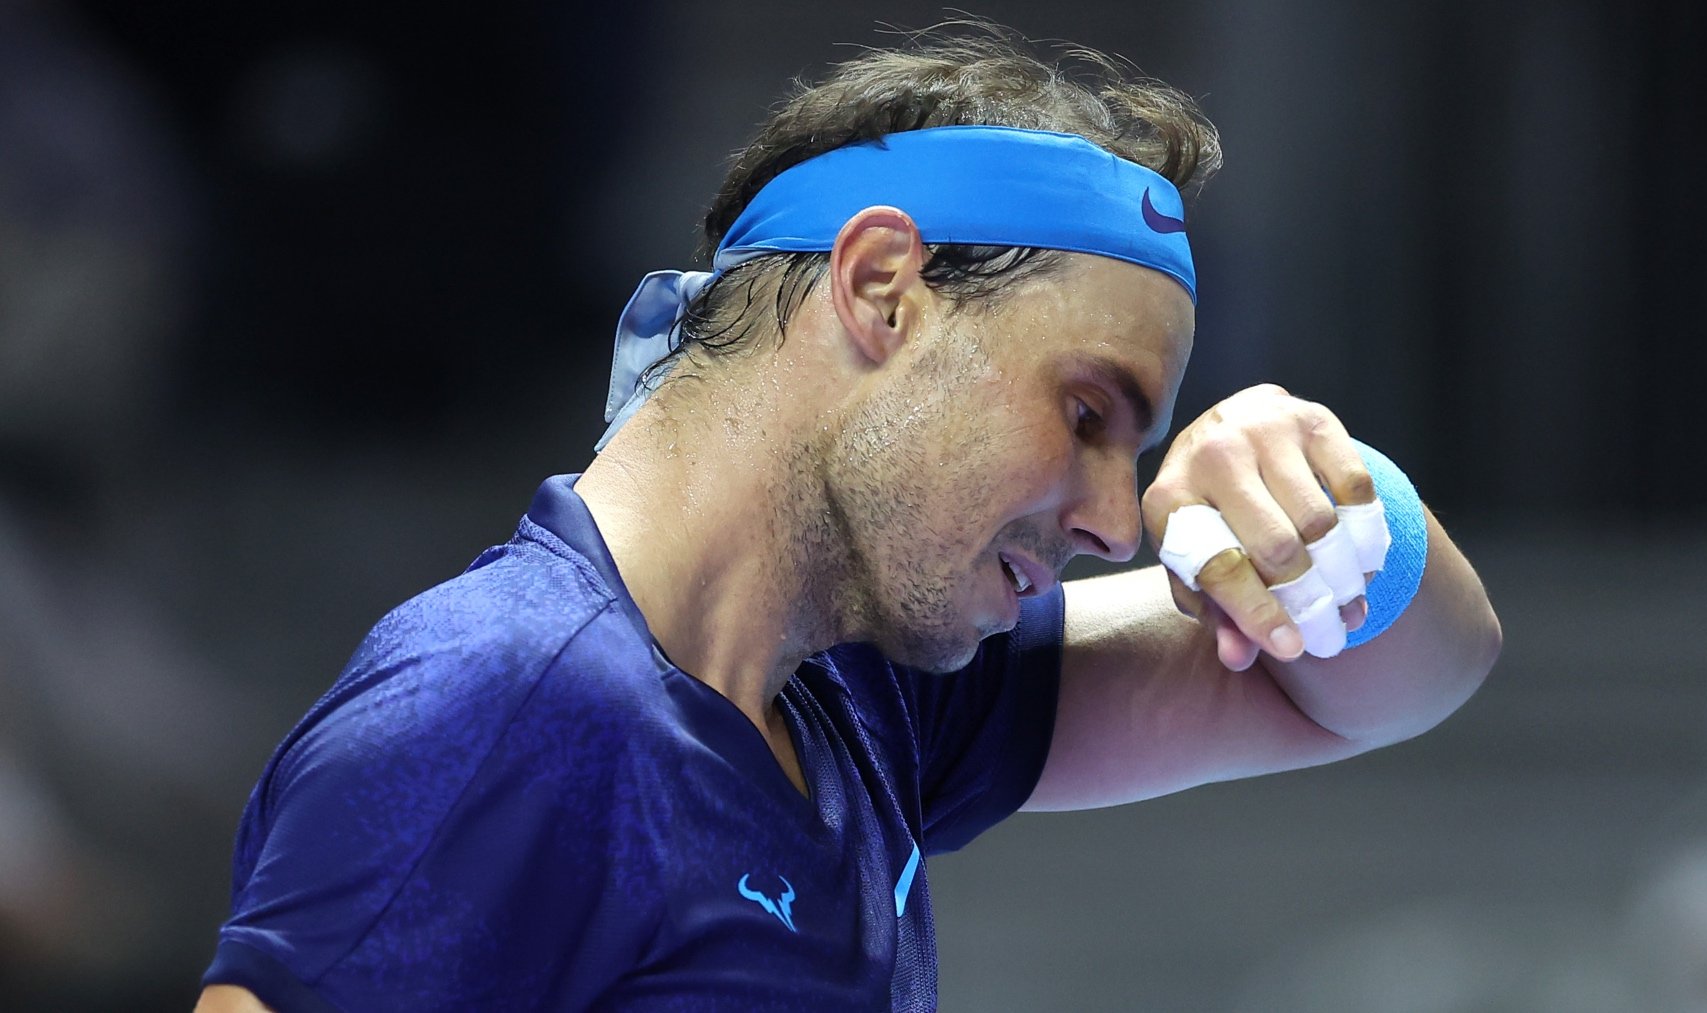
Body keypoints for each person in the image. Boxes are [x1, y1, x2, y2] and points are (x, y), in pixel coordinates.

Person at [195, 29, 1500, 1013]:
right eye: (1088, 411)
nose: (1116, 519)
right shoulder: (501, 709)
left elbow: (1394, 682)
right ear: (882, 292)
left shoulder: (865, 697)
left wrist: (1333, 501)